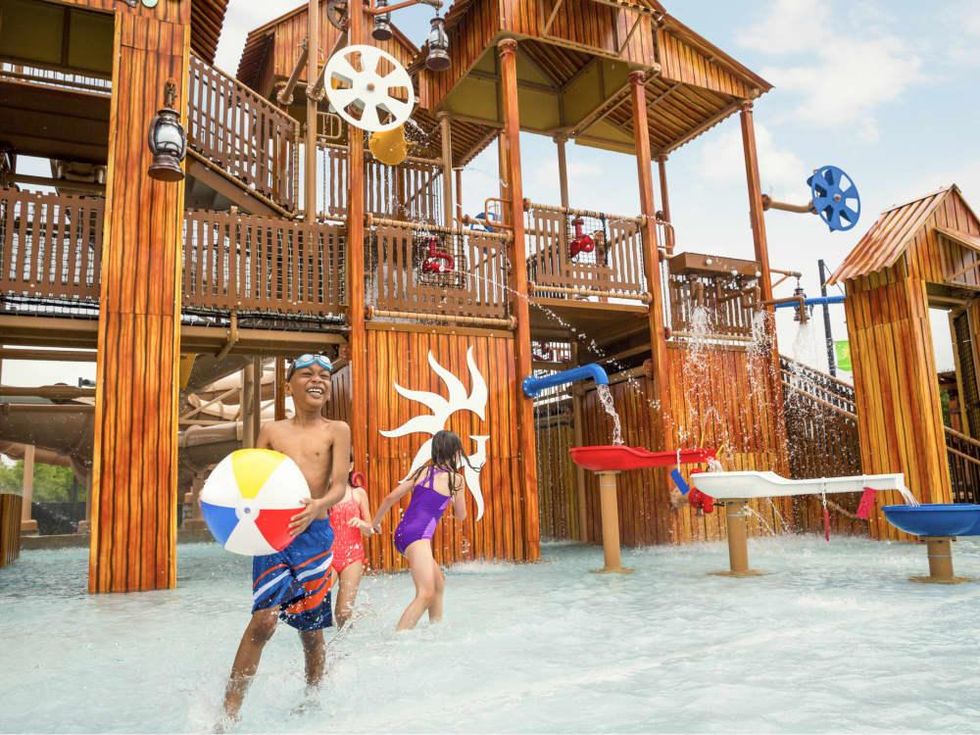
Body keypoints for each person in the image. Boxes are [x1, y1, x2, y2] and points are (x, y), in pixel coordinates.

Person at [221, 353, 351, 726]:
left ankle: (313, 697)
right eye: (307, 374)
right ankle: (229, 713)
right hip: (274, 536)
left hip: (315, 536)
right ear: (288, 384)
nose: (317, 380)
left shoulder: (337, 430)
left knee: (311, 630)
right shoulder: (271, 431)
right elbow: (250, 481)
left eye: (324, 375)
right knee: (263, 621)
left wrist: (319, 505)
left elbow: (339, 485)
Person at [370, 430, 471, 631]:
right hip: (418, 537)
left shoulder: (422, 472)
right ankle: (398, 638)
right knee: (425, 593)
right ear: (456, 452)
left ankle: (435, 629)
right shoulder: (456, 480)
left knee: (438, 582)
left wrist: (375, 523)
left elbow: (390, 498)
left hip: (402, 534)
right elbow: (461, 515)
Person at [328, 461, 374, 629]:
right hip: (328, 556)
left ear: (350, 466)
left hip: (352, 558)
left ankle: (346, 644)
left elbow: (370, 530)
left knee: (343, 614)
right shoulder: (324, 494)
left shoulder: (358, 493)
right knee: (315, 603)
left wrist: (362, 524)